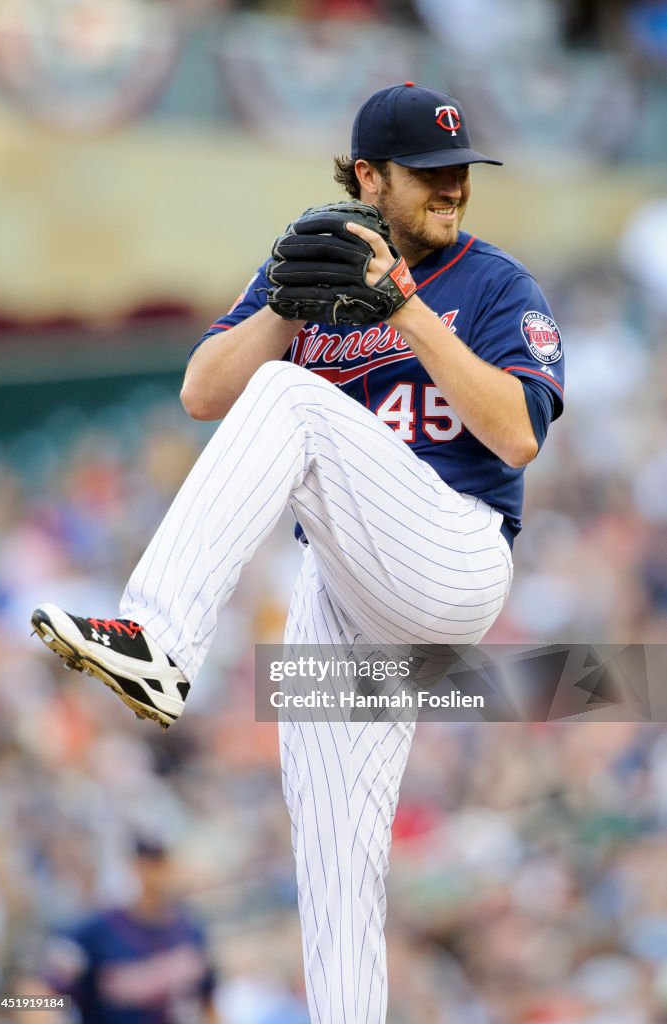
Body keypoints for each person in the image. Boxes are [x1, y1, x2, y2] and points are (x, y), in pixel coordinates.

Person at [31, 83, 564, 1023]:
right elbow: (201, 391)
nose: (452, 190)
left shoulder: (495, 285)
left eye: (459, 174)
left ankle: (158, 636)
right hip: (348, 581)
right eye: (429, 175)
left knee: (289, 403)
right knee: (333, 864)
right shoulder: (314, 263)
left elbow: (516, 435)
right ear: (367, 176)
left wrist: (403, 309)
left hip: (451, 555)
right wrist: (280, 307)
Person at [32, 836, 218, 1024]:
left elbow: (209, 1002)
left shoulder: (191, 929)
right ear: (136, 868)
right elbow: (37, 992)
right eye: (153, 865)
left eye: (164, 864)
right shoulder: (97, 931)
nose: (160, 874)